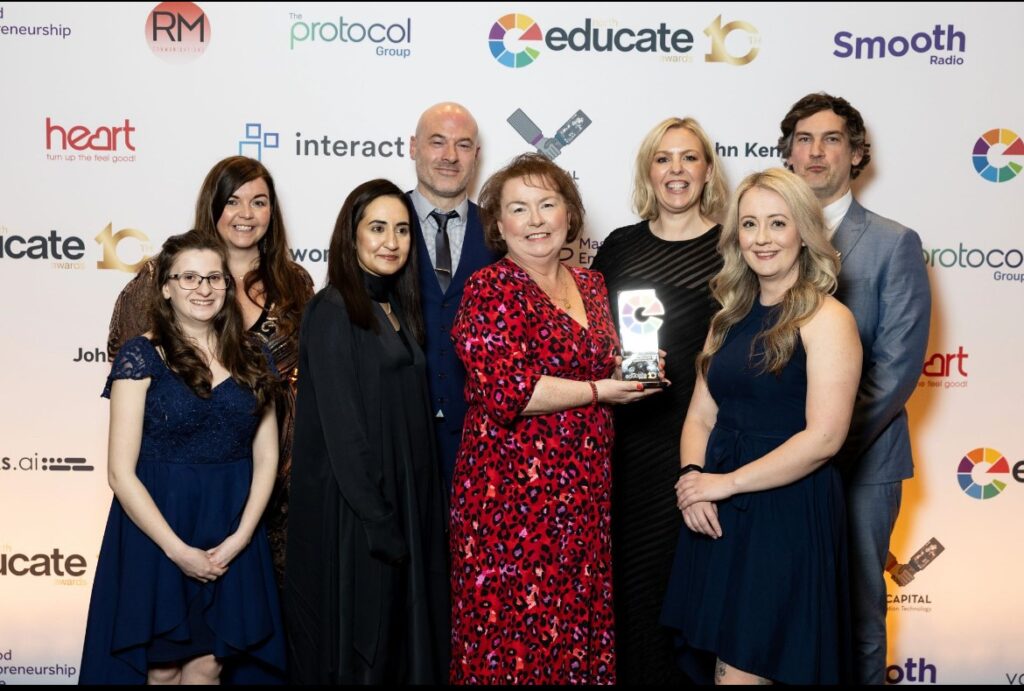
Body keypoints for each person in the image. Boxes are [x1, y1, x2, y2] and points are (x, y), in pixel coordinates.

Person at [449, 153, 664, 684]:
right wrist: (600, 390)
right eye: (519, 209)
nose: (537, 219)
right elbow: (508, 391)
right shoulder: (488, 288)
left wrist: (636, 368)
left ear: (570, 213)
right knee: (512, 638)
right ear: (499, 225)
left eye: (548, 204)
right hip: (510, 500)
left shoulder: (591, 284)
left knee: (574, 628)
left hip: (584, 494)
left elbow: (595, 361)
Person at [660, 168, 863, 684]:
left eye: (777, 223)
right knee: (725, 665)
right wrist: (693, 484)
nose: (762, 238)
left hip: (785, 512)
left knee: (752, 666)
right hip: (719, 512)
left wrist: (720, 484)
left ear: (803, 232)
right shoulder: (727, 318)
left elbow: (824, 438)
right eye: (750, 225)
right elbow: (701, 417)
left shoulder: (827, 318)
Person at [80, 231, 286, 684]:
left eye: (214, 277)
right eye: (189, 277)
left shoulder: (254, 355)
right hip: (157, 532)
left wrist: (240, 539)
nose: (203, 287)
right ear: (167, 287)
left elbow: (267, 457)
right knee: (162, 670)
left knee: (209, 666)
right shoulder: (141, 355)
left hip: (231, 527)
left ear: (227, 287)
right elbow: (120, 472)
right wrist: (178, 551)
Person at [779, 93, 931, 685]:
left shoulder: (894, 242)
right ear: (788, 153)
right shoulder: (767, 238)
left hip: (862, 461)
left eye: (832, 139)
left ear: (856, 153)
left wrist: (825, 444)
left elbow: (897, 367)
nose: (817, 152)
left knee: (859, 609)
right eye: (804, 140)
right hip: (782, 457)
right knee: (790, 605)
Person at [106, 156, 314, 587]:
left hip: (277, 480)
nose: (246, 215)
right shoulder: (157, 277)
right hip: (179, 487)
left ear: (272, 212)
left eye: (259, 202)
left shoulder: (295, 284)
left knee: (252, 623)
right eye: (233, 201)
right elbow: (134, 364)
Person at [285, 179, 449, 685]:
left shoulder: (394, 308)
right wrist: (380, 522)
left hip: (402, 506)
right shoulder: (334, 310)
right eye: (377, 228)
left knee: (399, 647)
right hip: (361, 519)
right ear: (349, 235)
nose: (391, 242)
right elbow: (343, 432)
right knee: (366, 652)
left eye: (402, 229)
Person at [590, 116, 727, 685]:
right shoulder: (620, 245)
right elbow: (594, 338)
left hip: (701, 436)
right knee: (630, 584)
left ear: (707, 169)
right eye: (664, 158)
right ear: (649, 169)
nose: (677, 170)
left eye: (689, 157)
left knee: (689, 584)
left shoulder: (733, 245)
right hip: (626, 437)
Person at [408, 102, 500, 491]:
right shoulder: (378, 227)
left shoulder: (501, 232)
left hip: (484, 439)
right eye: (437, 142)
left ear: (476, 156)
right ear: (413, 147)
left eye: (463, 145)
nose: (449, 156)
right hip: (401, 433)